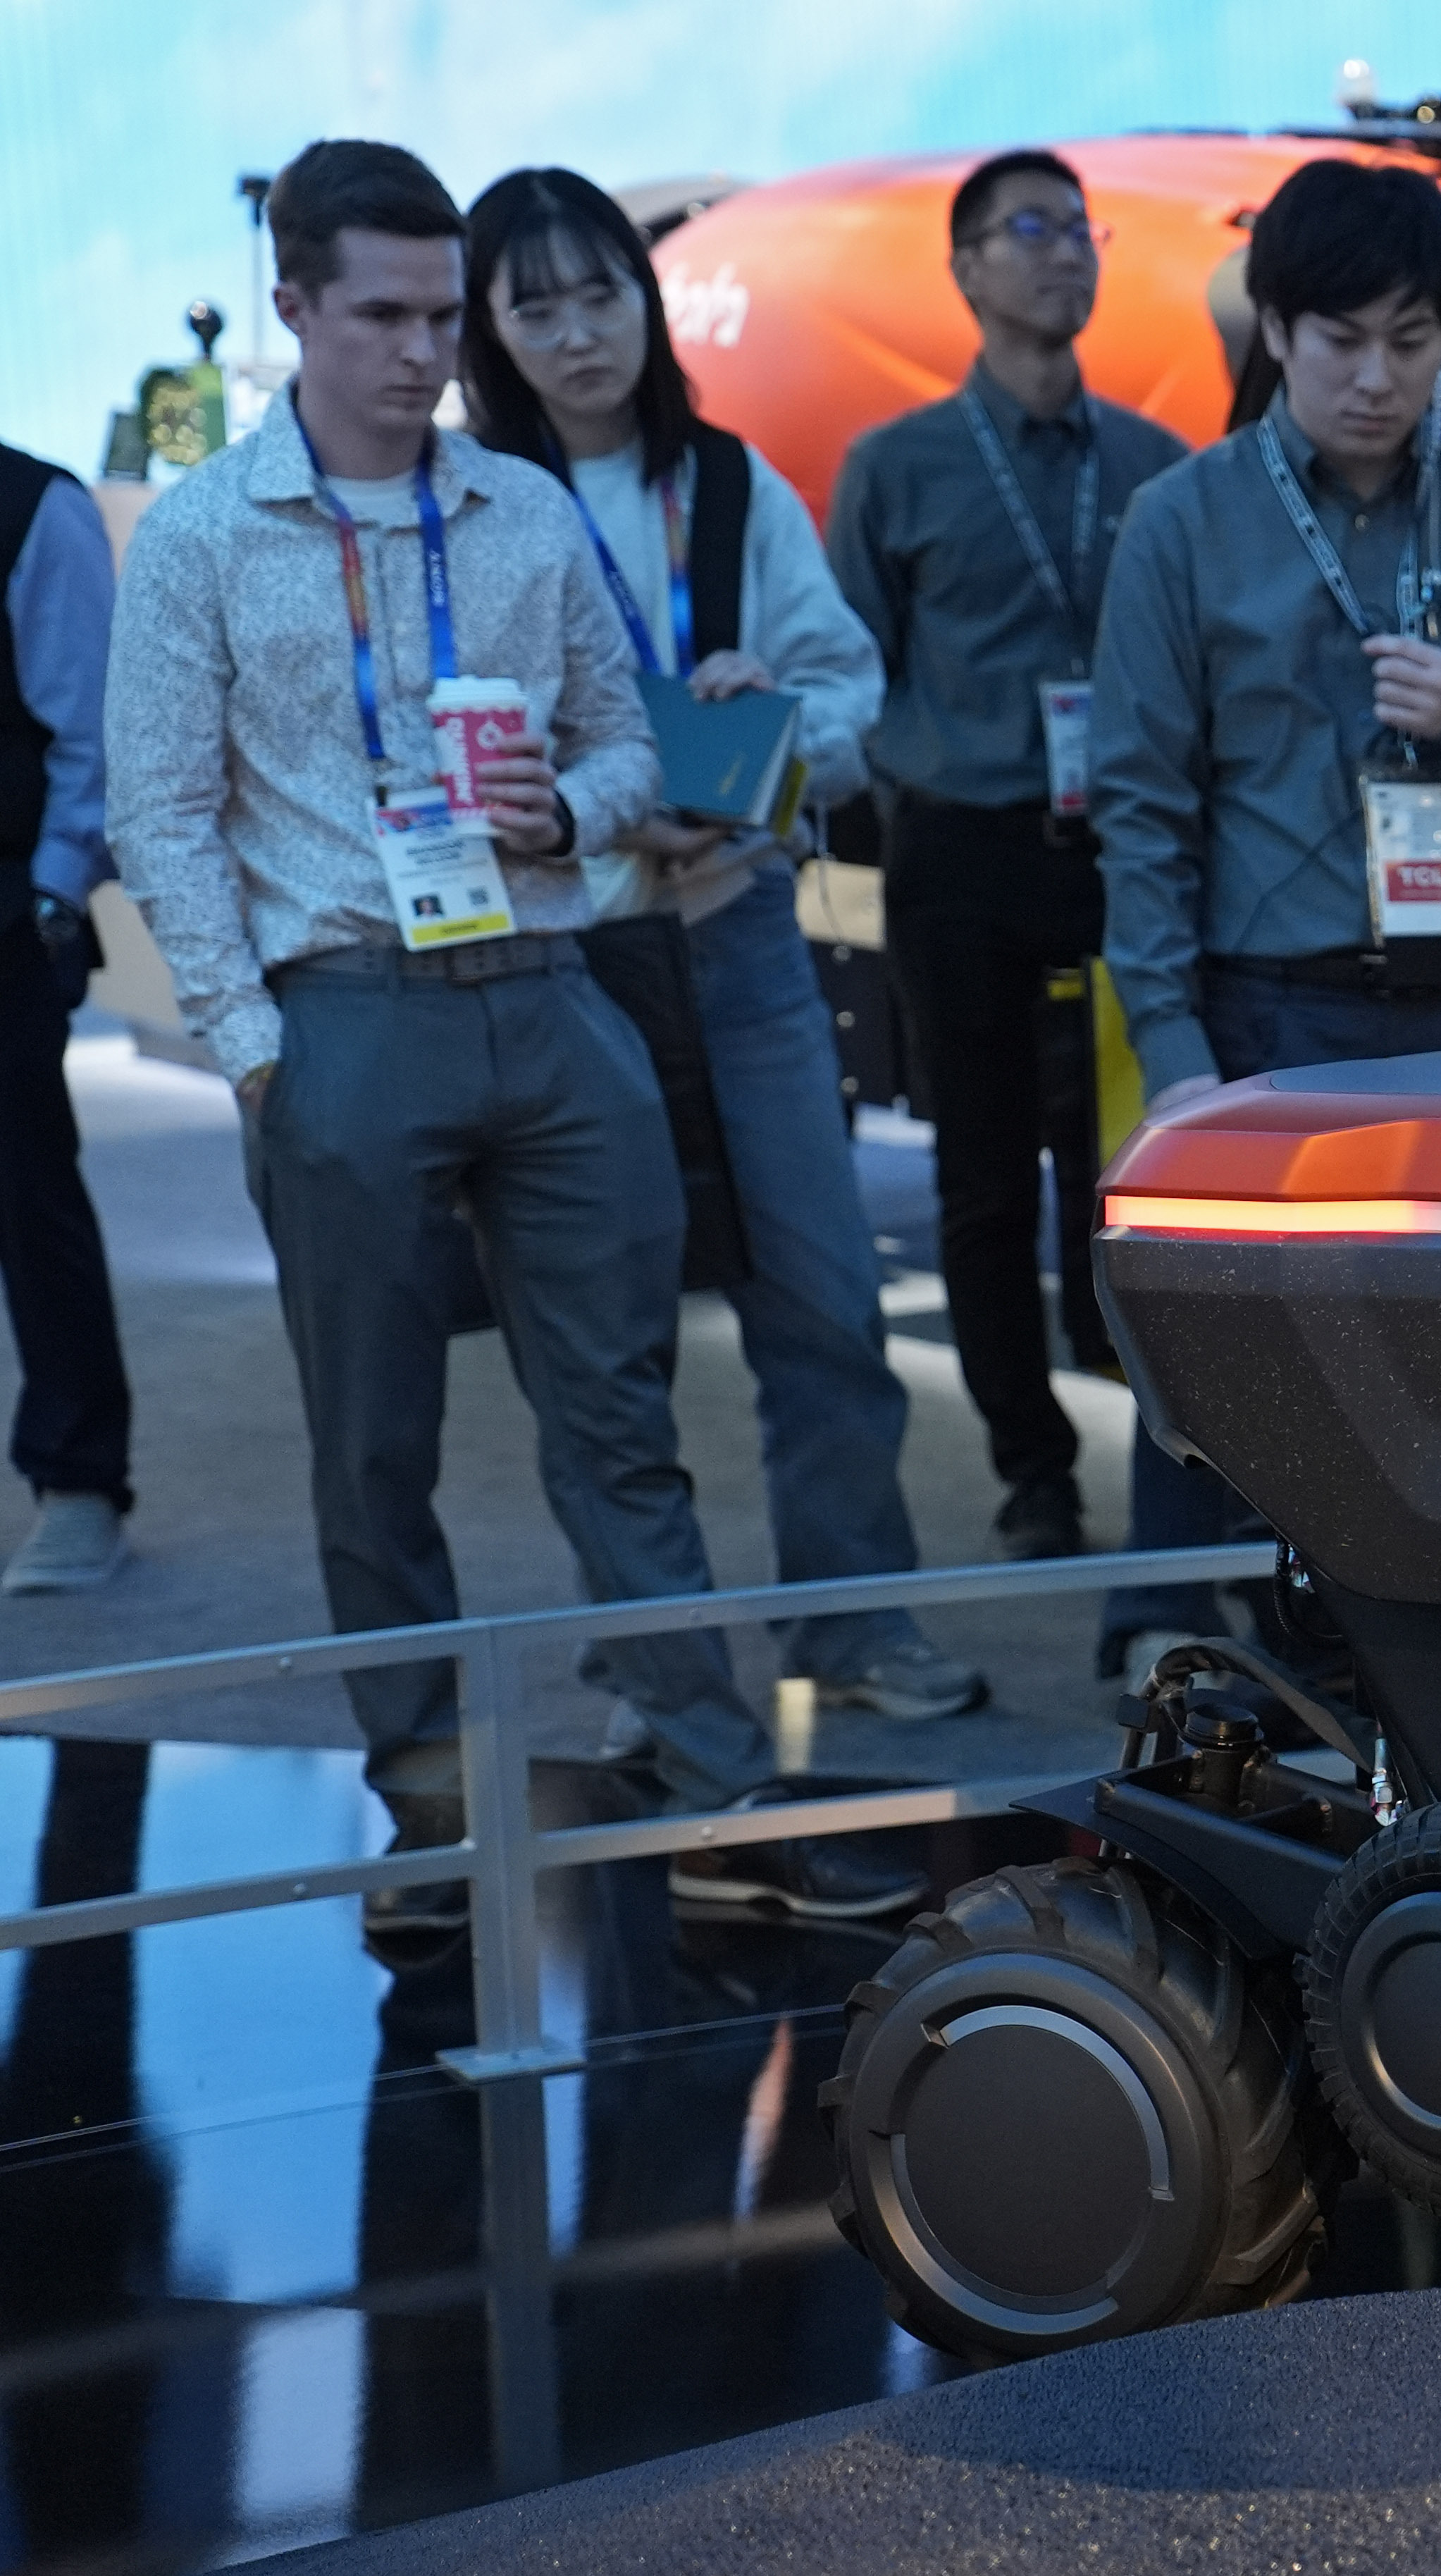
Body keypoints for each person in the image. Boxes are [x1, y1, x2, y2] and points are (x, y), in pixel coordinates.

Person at [99, 138, 845, 1902]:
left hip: (553, 993)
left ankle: (713, 1778)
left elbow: (622, 735)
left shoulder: (516, 508)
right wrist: (255, 1044)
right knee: (373, 1439)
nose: (425, 348)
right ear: (294, 308)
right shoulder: (209, 532)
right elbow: (160, 811)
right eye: (384, 313)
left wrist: (568, 816)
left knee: (622, 1422)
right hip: (342, 1006)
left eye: (444, 313)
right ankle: (427, 1793)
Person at [458, 166, 988, 1756]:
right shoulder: (475, 510)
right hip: (569, 952)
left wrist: (761, 745)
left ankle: (854, 1616)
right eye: (533, 306)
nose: (575, 335)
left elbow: (855, 699)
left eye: (599, 294)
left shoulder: (740, 487)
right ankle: (654, 1658)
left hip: (744, 932)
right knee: (597, 1335)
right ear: (491, 331)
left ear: (649, 297)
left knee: (822, 1295)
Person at [1088, 159, 1441, 1685]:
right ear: (1276, 326)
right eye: (1340, 341)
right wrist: (1175, 1052)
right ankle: (1191, 1661)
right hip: (1277, 1019)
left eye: (1413, 341)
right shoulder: (1182, 525)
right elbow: (1140, 809)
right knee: (1236, 1363)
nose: (1377, 379)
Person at [825, 149, 1188, 1565]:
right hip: (961, 854)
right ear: (966, 268)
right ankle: (1030, 1463)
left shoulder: (1154, 465)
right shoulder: (896, 465)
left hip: (1119, 855)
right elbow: (856, 670)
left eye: (1078, 229)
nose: (1064, 255)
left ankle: (1168, 1440)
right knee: (979, 1176)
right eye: (1026, 230)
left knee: (1126, 1166)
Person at [0, 438, 131, 1597]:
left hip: (4, 917)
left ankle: (79, 1483)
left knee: (27, 1198)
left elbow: (88, 727)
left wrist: (49, 889)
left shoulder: (33, 506)